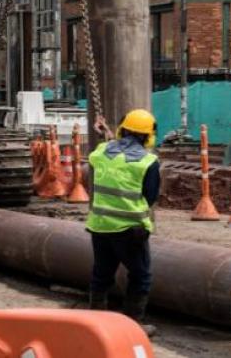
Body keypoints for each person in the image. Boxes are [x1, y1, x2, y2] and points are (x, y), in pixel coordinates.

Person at [85, 108, 161, 334]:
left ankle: (95, 324)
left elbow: (113, 151)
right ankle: (132, 327)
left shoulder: (100, 152)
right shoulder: (148, 162)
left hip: (100, 227)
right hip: (130, 231)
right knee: (140, 277)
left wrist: (106, 134)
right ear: (149, 136)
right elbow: (150, 196)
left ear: (122, 129)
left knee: (101, 275)